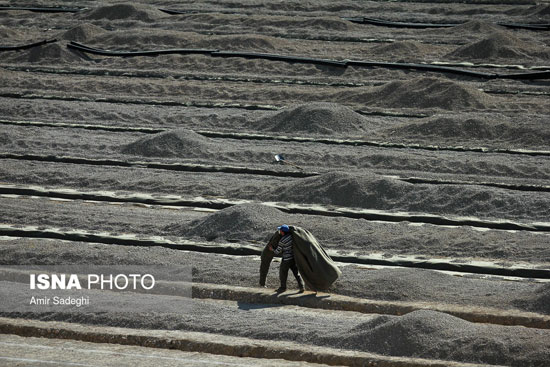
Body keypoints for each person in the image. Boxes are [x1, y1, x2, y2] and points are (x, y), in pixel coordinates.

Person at [269, 224, 305, 293]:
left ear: (283, 232)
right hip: (293, 258)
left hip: (286, 259)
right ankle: (302, 287)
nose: (280, 232)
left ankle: (283, 288)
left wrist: (272, 249)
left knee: (283, 273)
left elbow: (277, 251)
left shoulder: (282, 241)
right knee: (296, 273)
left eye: (280, 230)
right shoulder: (292, 236)